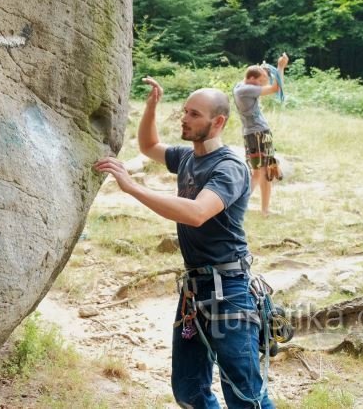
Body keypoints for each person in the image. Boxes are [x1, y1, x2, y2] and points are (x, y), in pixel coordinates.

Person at [94, 77, 274, 409]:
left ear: (217, 122)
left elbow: (196, 213)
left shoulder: (229, 166)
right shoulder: (188, 157)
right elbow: (149, 146)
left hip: (229, 290)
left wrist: (132, 188)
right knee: (189, 390)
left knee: (245, 393)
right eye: (185, 111)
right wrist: (151, 105)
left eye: (194, 114)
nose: (185, 119)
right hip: (194, 289)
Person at [233, 53, 289, 215]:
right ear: (251, 79)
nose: (263, 83)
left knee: (266, 171)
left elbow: (263, 80)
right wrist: (280, 67)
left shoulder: (239, 86)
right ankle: (238, 206)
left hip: (257, 133)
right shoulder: (246, 90)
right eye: (261, 80)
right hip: (256, 134)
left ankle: (265, 210)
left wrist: (264, 71)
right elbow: (276, 88)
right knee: (258, 172)